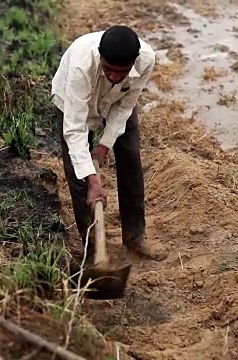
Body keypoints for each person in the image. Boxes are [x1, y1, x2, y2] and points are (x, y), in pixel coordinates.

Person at [51, 25, 168, 264]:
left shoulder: (146, 60)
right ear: (100, 58)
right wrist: (93, 180)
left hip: (115, 103)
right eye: (109, 70)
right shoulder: (81, 66)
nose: (114, 77)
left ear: (133, 63)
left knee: (130, 155)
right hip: (74, 102)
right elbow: (75, 129)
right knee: (79, 174)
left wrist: (104, 146)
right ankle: (92, 246)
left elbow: (125, 107)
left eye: (121, 72)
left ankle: (135, 235)